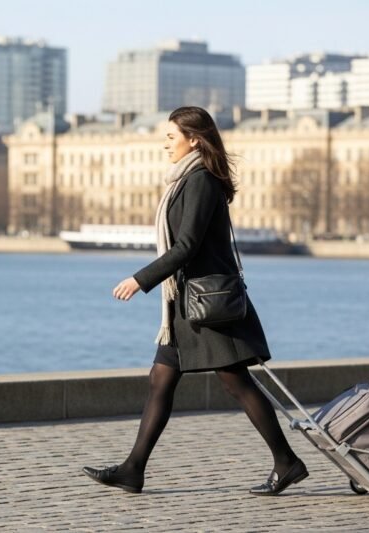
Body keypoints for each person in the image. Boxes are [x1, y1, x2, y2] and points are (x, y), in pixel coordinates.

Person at [82, 106, 308, 496]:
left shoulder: (200, 180)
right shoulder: (186, 179)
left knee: (236, 383)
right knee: (161, 379)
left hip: (207, 307)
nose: (165, 144)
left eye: (171, 136)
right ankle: (133, 470)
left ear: (194, 139)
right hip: (187, 307)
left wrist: (140, 280)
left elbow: (186, 246)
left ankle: (286, 462)